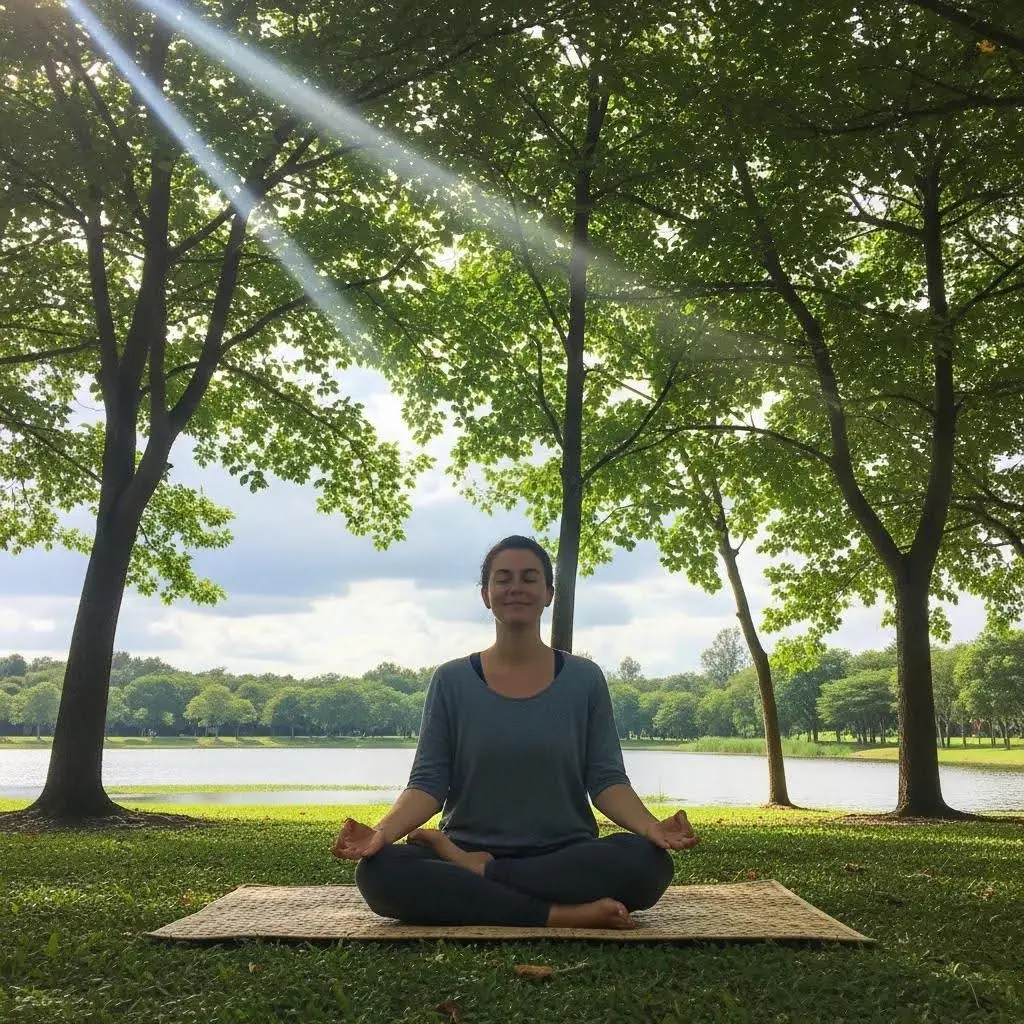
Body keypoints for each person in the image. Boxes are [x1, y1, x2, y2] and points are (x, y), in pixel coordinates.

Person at [331, 535, 700, 929]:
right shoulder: (451, 680)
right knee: (379, 873)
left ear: (548, 593)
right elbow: (427, 783)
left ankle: (485, 876)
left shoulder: (585, 679)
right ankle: (560, 914)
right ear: (486, 595)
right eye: (503, 578)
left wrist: (651, 827)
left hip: (564, 854)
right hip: (465, 846)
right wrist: (382, 835)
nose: (516, 588)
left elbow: (606, 779)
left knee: (646, 863)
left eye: (529, 578)